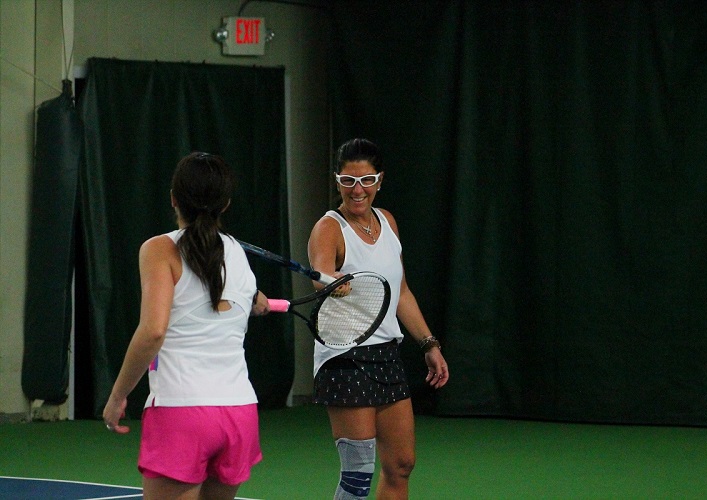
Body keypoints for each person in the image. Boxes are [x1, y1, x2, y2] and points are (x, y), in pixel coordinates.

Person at [102, 152, 270, 500]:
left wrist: (118, 396)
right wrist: (254, 300)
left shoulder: (158, 249)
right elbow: (238, 299)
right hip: (239, 414)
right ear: (225, 204)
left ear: (173, 199)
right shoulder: (238, 254)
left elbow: (153, 331)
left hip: (182, 413)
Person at [307, 138, 449, 499]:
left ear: (380, 180)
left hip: (386, 354)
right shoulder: (329, 227)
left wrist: (429, 344)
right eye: (348, 181)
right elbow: (320, 273)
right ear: (337, 181)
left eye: (366, 181)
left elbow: (401, 291)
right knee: (358, 476)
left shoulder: (388, 222)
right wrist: (330, 281)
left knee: (401, 464)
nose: (357, 190)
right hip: (345, 358)